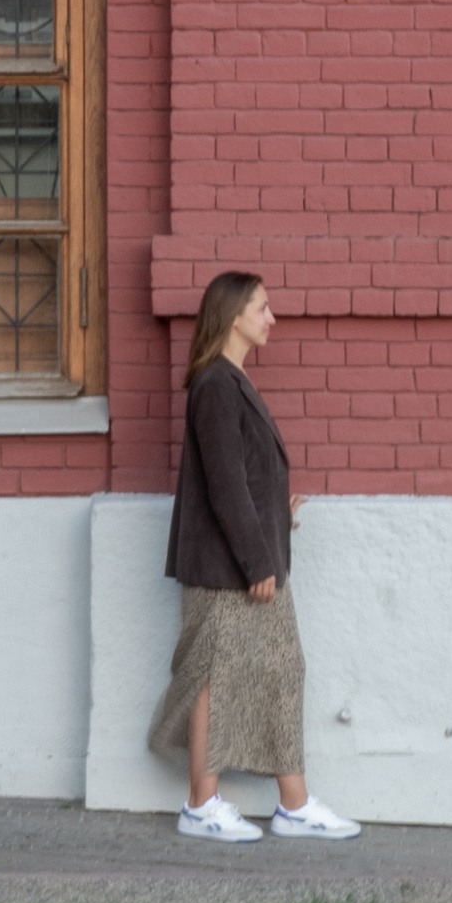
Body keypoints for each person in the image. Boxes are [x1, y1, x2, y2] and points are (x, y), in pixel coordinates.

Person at [149, 270, 361, 845]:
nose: (272, 318)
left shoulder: (231, 381)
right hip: (228, 571)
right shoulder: (216, 385)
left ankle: (294, 805)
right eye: (262, 308)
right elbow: (224, 485)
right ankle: (200, 805)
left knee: (283, 670)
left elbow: (242, 478)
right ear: (233, 315)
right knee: (212, 680)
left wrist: (274, 515)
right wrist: (256, 560)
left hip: (249, 560)